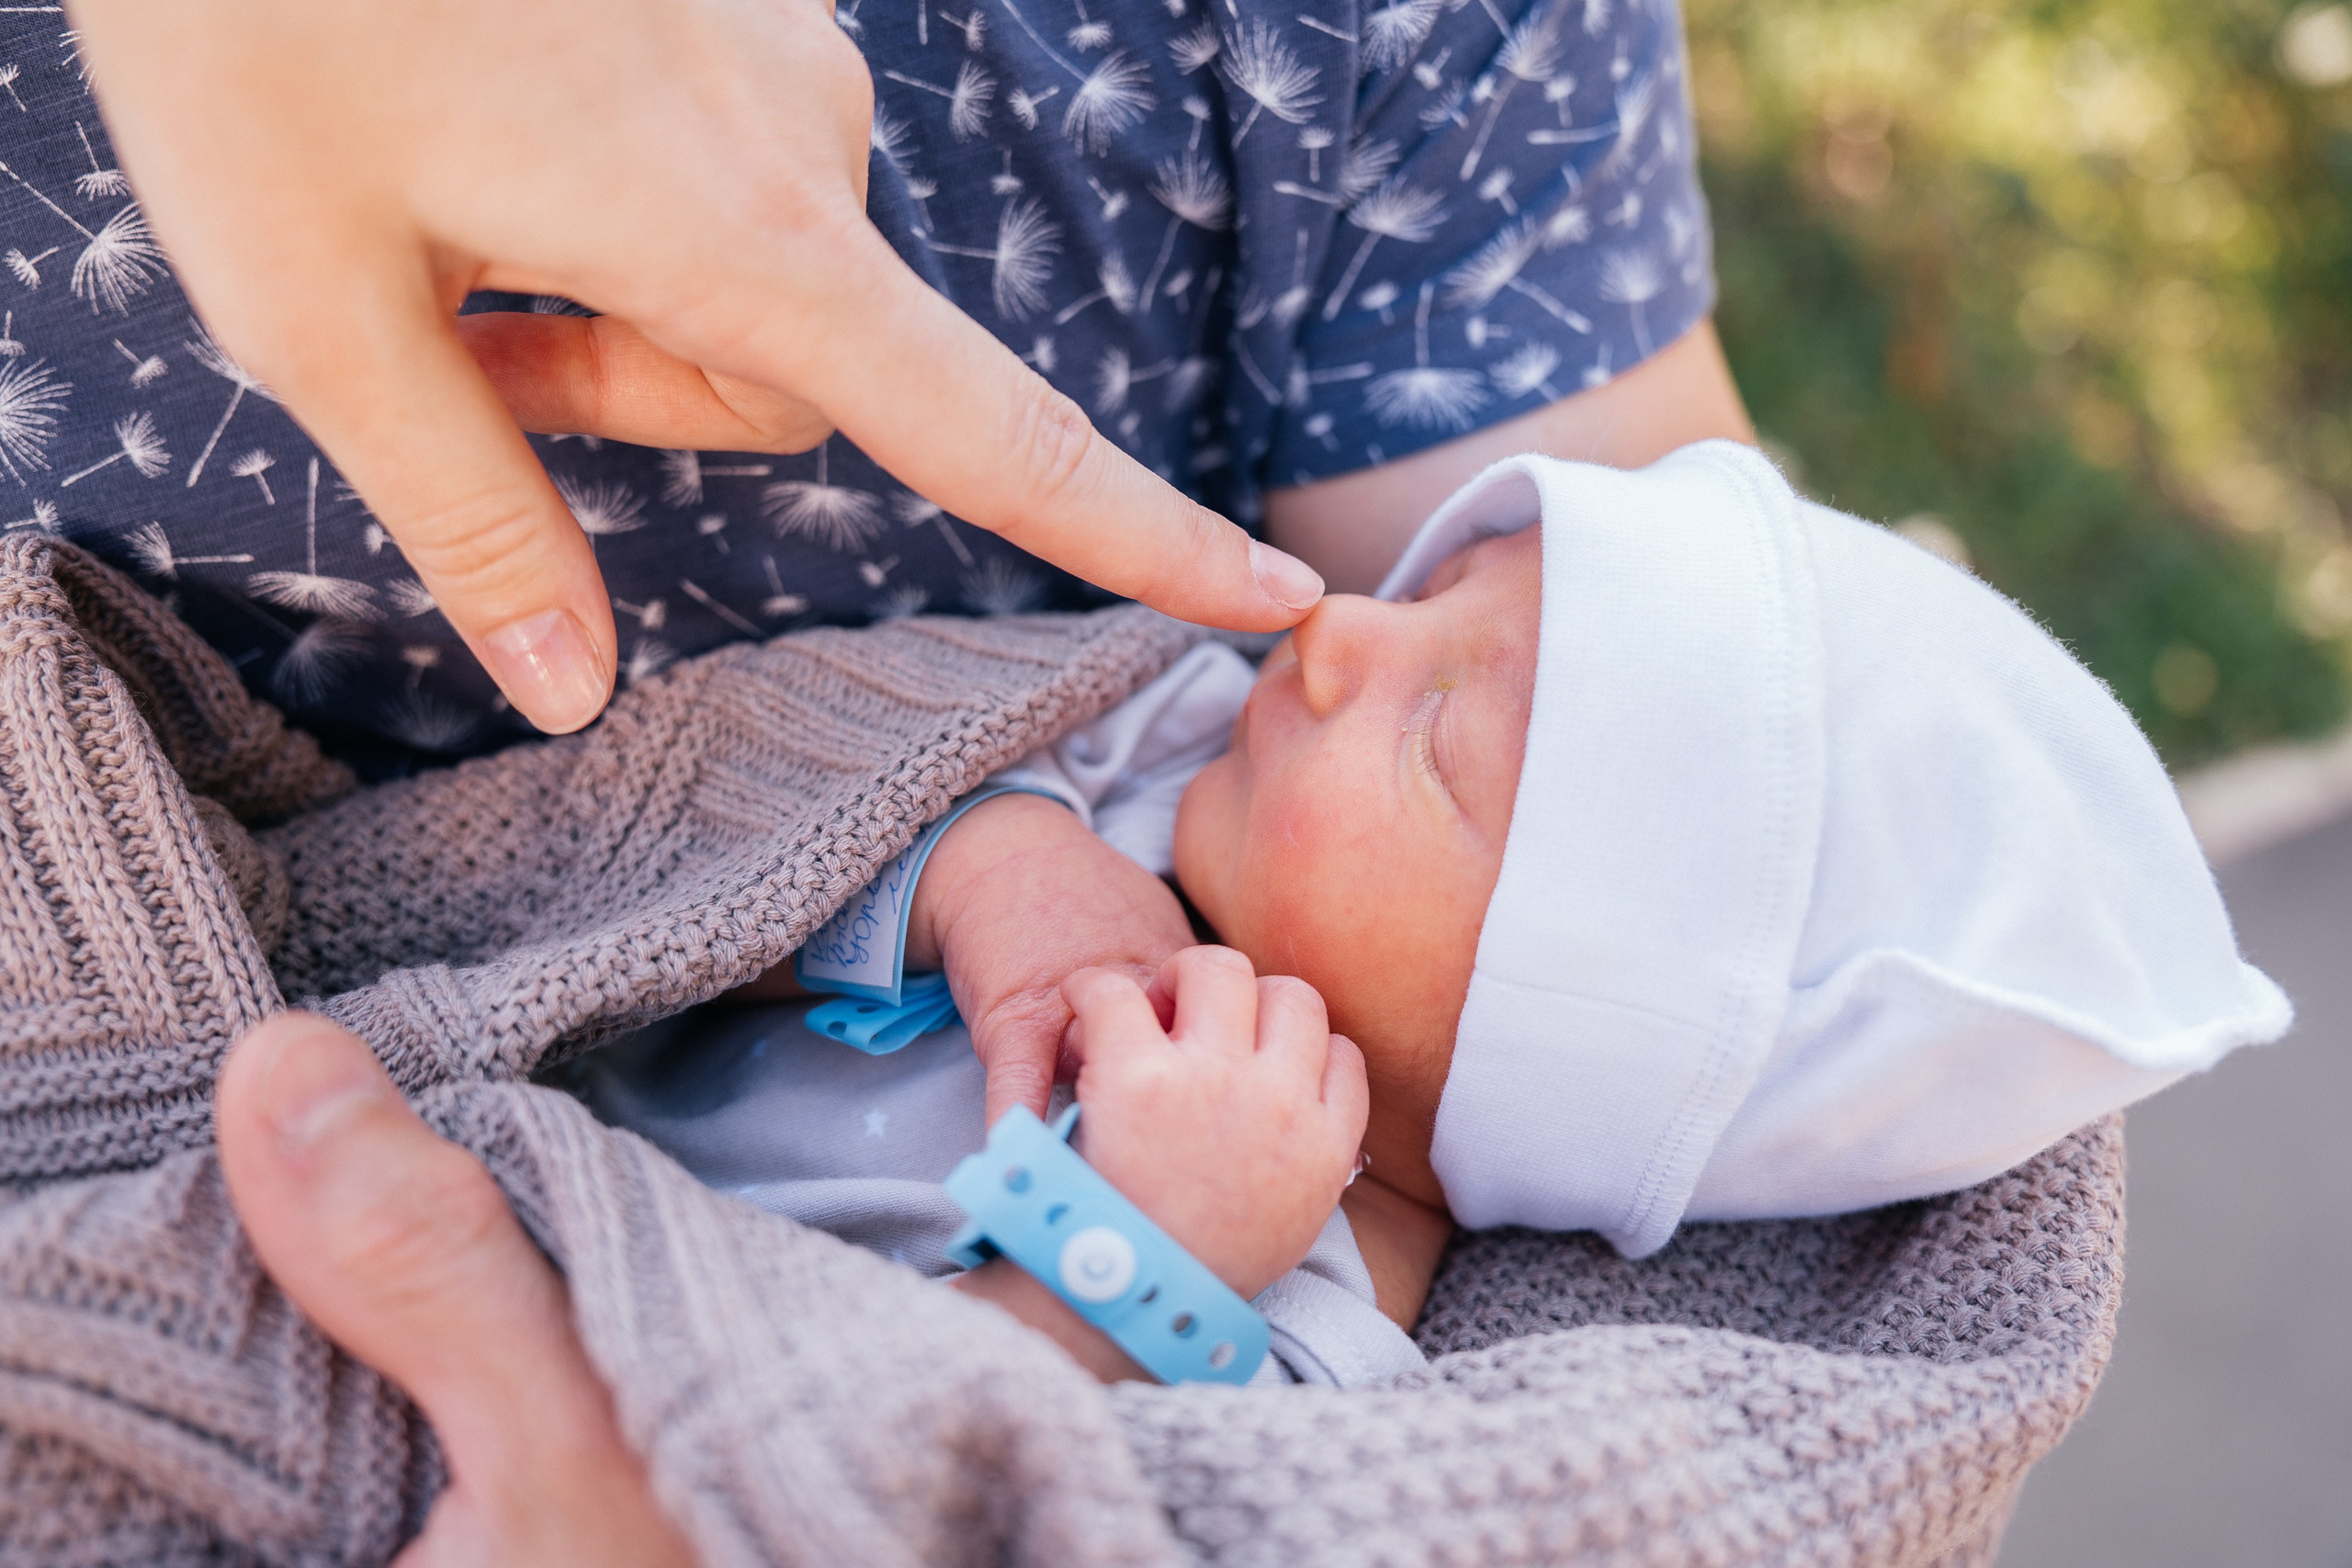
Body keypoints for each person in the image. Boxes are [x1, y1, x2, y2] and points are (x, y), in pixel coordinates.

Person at [547, 442, 2290, 1389]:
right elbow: (655, 889)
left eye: (1437, 736)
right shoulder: (1125, 756)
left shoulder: (1314, 1309)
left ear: (1523, 1064)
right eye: (1428, 593)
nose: (1338, 636)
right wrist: (985, 861)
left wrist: (1139, 1270)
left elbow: (977, 1501)